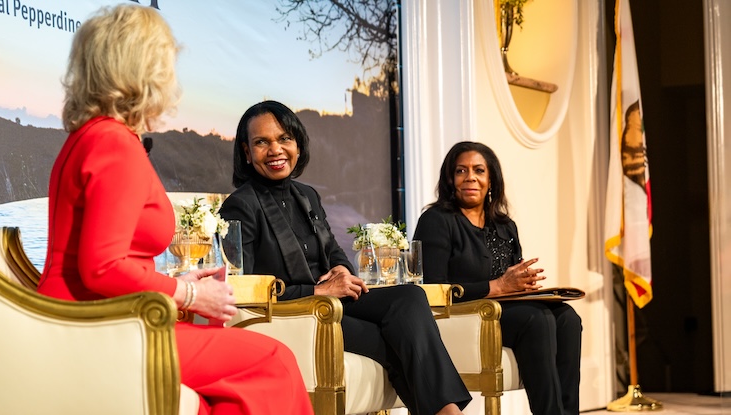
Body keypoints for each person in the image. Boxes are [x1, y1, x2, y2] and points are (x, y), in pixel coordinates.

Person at [36, 6, 313, 415]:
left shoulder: (91, 136)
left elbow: (103, 258)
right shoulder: (113, 142)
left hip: (98, 317)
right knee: (275, 361)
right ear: (145, 68)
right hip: (100, 326)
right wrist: (191, 293)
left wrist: (176, 283)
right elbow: (101, 267)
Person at [219, 100, 471, 415]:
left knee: (409, 296)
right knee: (394, 338)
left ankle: (447, 412)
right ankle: (449, 413)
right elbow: (244, 286)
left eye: (284, 138)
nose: (275, 149)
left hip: (332, 299)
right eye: (261, 142)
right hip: (295, 309)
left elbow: (332, 250)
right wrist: (316, 291)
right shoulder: (240, 205)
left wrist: (341, 268)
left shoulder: (306, 195)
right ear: (246, 152)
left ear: (297, 144)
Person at [412, 141, 582, 415]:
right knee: (537, 319)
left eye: (479, 170)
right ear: (450, 179)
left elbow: (512, 282)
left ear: (491, 180)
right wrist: (498, 286)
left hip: (505, 311)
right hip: (461, 316)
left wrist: (526, 287)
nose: (470, 177)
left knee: (567, 318)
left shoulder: (504, 226)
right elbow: (432, 289)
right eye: (461, 171)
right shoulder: (436, 220)